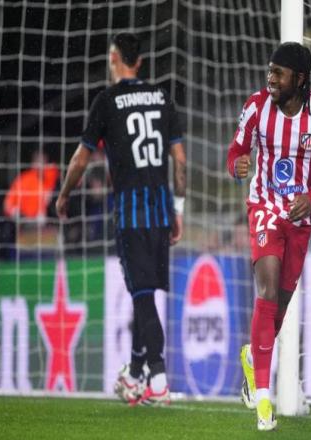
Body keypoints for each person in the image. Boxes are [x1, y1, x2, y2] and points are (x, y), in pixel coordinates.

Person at [56, 32, 186, 406]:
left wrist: (64, 195)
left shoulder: (108, 101)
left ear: (114, 58)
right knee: (144, 295)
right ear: (139, 61)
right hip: (161, 210)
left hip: (131, 214)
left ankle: (158, 379)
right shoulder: (161, 97)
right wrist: (177, 209)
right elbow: (180, 161)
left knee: (142, 297)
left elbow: (81, 159)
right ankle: (135, 372)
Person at [226, 42, 311, 431]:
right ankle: (264, 401)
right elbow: (235, 151)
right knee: (266, 289)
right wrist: (237, 165)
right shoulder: (256, 106)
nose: (271, 79)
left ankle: (252, 357)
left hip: (299, 217)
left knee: (277, 307)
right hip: (264, 208)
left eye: (278, 73)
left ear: (299, 78)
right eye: (270, 71)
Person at [4, 149, 60, 221]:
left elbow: (55, 169)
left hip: (45, 219)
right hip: (24, 219)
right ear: (33, 163)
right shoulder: (23, 179)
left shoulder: (50, 175)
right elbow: (8, 204)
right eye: (38, 161)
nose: (41, 165)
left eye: (43, 162)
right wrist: (16, 213)